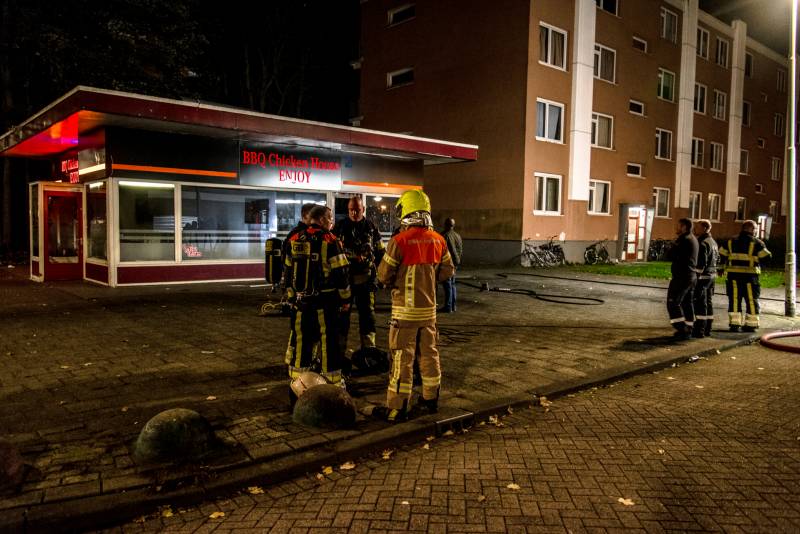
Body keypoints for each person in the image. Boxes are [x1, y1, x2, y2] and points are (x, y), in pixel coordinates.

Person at [372, 190, 454, 423]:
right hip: (429, 314)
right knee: (429, 355)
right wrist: (428, 279)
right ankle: (430, 399)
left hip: (404, 314)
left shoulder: (399, 241)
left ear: (405, 210)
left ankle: (397, 408)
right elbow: (448, 271)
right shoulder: (439, 239)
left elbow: (383, 275)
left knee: (401, 358)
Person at [283, 205, 351, 405]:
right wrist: (345, 299)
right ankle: (333, 388)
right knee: (329, 344)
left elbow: (286, 273)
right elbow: (341, 272)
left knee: (301, 343)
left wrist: (291, 297)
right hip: (326, 304)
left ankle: (297, 387)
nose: (332, 222)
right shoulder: (330, 240)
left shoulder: (294, 239)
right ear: (321, 220)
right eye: (330, 218)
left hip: (301, 304)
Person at [332, 196, 385, 354]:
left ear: (363, 209)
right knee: (341, 318)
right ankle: (339, 351)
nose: (354, 212)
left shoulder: (371, 227)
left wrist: (383, 275)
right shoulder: (339, 227)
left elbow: (381, 252)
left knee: (368, 316)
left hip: (366, 281)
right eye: (351, 210)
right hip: (344, 281)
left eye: (357, 209)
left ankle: (369, 349)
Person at [718, 220, 771, 332]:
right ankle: (751, 325)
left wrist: (721, 269)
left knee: (734, 300)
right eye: (755, 229)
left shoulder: (730, 241)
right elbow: (767, 258)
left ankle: (734, 324)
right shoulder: (757, 243)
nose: (755, 231)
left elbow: (721, 255)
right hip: (750, 278)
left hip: (733, 277)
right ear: (751, 229)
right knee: (751, 300)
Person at [666, 218, 699, 339]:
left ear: (684, 227)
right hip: (691, 276)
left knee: (673, 303)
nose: (676, 228)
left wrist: (672, 246)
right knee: (687, 303)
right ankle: (690, 327)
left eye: (678, 226)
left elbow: (670, 255)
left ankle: (682, 329)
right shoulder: (694, 239)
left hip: (681, 277)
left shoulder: (683, 240)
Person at [692, 219, 718, 338]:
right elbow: (717, 260)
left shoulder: (702, 243)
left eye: (696, 227)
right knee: (708, 302)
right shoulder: (713, 242)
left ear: (704, 228)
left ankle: (699, 330)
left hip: (702, 278)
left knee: (700, 303)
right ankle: (708, 328)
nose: (694, 229)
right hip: (711, 277)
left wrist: (695, 277)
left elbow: (701, 263)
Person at [439, 218, 463, 313]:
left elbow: (449, 251)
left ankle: (448, 307)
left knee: (448, 285)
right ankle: (453, 306)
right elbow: (460, 250)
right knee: (452, 284)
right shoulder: (457, 235)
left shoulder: (445, 236)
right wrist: (457, 261)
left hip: (448, 263)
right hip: (455, 263)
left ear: (446, 225)